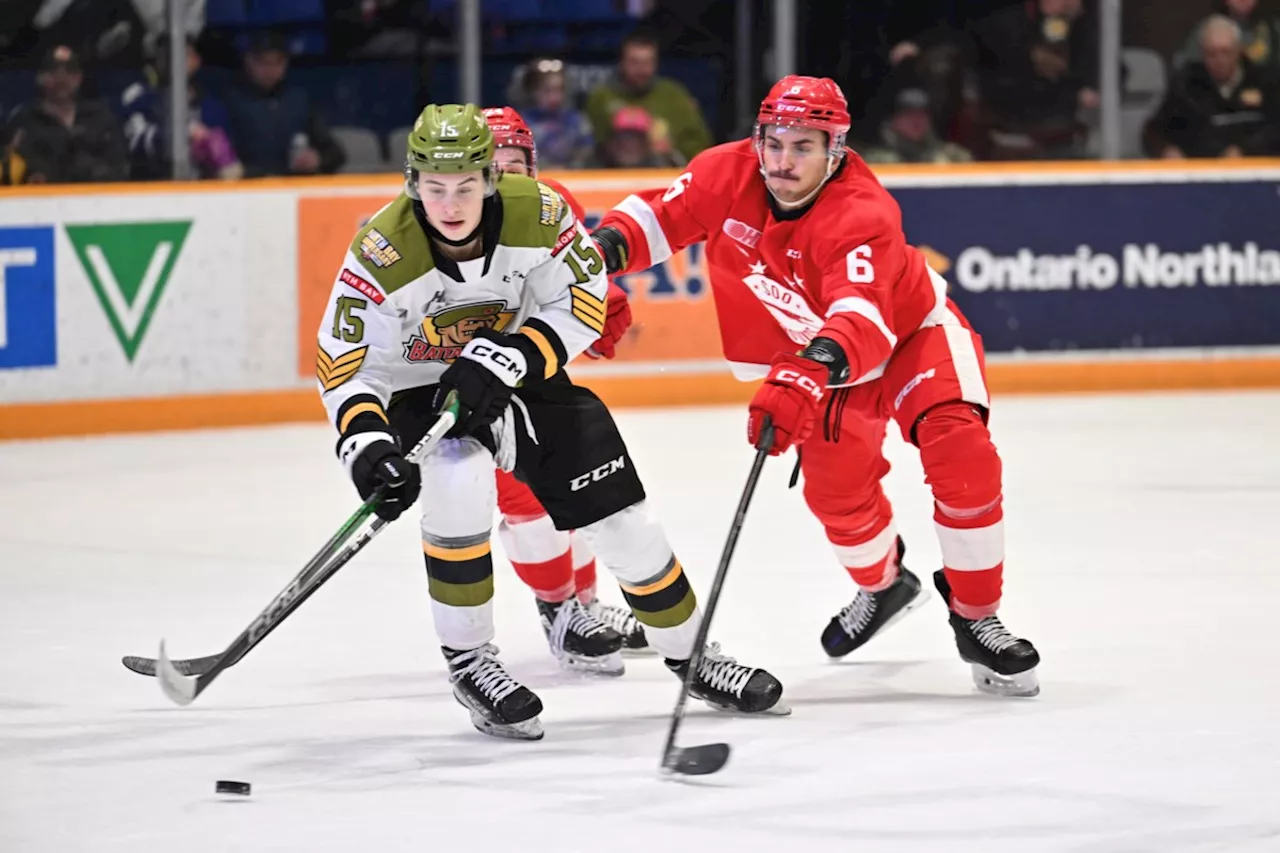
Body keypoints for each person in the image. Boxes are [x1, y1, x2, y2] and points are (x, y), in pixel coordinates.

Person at [315, 103, 784, 740]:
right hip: (417, 391)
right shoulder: (381, 250)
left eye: (463, 187)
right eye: (433, 188)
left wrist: (511, 355)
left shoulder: (540, 213)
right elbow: (349, 366)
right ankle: (471, 661)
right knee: (459, 477)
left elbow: (582, 304)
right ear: (411, 184)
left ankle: (695, 652)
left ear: (488, 179)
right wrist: (368, 448)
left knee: (622, 520)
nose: (449, 205)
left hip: (514, 375)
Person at [592, 76, 1041, 698]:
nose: (783, 161)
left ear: (835, 150)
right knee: (836, 499)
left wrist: (803, 372)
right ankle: (884, 588)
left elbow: (861, 317)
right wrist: (589, 267)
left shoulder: (861, 212)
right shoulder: (728, 173)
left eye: (804, 147)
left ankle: (976, 616)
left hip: (910, 338)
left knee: (960, 451)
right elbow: (658, 219)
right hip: (823, 360)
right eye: (774, 143)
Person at [482, 104, 649, 672]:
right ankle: (558, 611)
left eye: (516, 164)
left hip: (538, 368)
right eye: (493, 166)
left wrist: (606, 311)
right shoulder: (449, 217)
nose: (507, 178)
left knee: (573, 483)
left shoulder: (550, 203)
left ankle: (584, 604)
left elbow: (583, 277)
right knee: (522, 496)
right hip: (475, 380)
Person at [1145, 15, 1280, 159]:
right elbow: (1153, 132)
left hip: (1258, 172)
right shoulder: (1186, 85)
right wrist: (1166, 150)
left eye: (1225, 52)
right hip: (1201, 173)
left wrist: (1246, 150)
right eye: (1212, 53)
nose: (1219, 60)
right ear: (1202, 53)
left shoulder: (1265, 81)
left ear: (1239, 50)